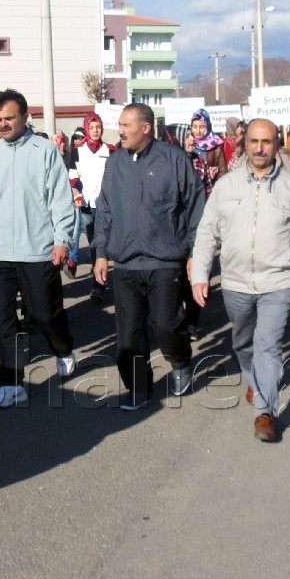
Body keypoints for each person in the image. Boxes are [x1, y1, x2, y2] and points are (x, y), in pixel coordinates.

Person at [190, 119, 290, 441]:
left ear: (277, 144)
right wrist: (200, 276)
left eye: (266, 142)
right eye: (254, 141)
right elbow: (207, 233)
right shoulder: (226, 186)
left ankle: (264, 411)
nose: (260, 148)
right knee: (243, 342)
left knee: (268, 345)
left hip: (279, 281)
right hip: (236, 282)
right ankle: (255, 379)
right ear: (245, 144)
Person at [93, 103, 206, 409]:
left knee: (166, 326)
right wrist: (101, 252)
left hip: (165, 260)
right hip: (125, 262)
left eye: (126, 125)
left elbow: (196, 206)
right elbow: (104, 209)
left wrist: (195, 252)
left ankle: (180, 360)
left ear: (145, 128)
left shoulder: (174, 159)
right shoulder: (114, 163)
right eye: (119, 125)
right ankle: (138, 387)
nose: (120, 131)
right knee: (128, 335)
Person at [0, 88, 78, 408]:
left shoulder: (44, 150)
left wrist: (62, 239)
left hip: (37, 249)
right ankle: (11, 384)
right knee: (2, 322)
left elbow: (60, 198)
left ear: (25, 117)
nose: (3, 124)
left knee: (44, 314)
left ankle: (62, 348)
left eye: (9, 118)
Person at [68, 111, 113, 299]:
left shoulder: (110, 150)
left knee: (105, 243)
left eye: (98, 127)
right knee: (95, 243)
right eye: (92, 127)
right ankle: (98, 283)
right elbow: (73, 176)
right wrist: (77, 192)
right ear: (87, 129)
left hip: (106, 206)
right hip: (87, 205)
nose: (95, 130)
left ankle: (103, 281)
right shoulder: (78, 151)